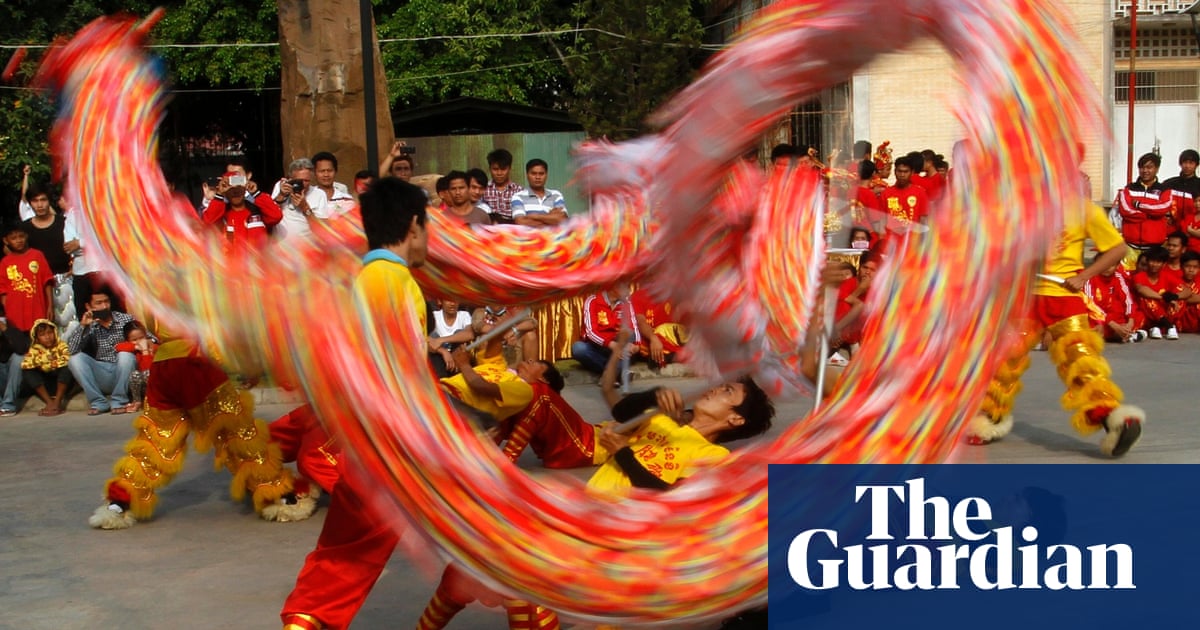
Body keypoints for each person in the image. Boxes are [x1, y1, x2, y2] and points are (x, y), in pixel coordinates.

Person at [281, 177, 430, 630]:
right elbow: (393, 371)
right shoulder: (389, 280)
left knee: (344, 552)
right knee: (350, 554)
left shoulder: (373, 277)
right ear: (414, 226)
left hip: (374, 441)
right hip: (388, 445)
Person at [966, 202, 1145, 457]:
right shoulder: (1021, 205)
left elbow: (1118, 248)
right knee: (1004, 360)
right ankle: (990, 416)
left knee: (1081, 363)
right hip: (1025, 298)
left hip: (1064, 299)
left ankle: (1113, 420)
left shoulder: (1085, 210)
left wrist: (1084, 276)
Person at [0, 222, 56, 417]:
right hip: (15, 319)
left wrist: (50, 306)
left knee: (39, 353)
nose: (18, 241)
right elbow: (3, 292)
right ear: (6, 241)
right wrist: (8, 315)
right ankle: (12, 398)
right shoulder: (5, 262)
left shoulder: (37, 256)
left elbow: (47, 282)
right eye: (13, 238)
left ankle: (46, 392)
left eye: (21, 236)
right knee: (19, 355)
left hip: (37, 313)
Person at [65, 289, 138, 414]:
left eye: (106, 301)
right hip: (102, 373)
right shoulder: (90, 325)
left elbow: (151, 339)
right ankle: (98, 402)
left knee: (125, 355)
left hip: (125, 373)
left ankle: (119, 401)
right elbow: (71, 350)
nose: (104, 306)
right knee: (74, 359)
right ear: (89, 306)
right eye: (99, 303)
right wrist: (83, 326)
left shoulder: (125, 319)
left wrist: (135, 344)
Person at [1114, 152, 1173, 263]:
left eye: (1149, 167)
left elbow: (1162, 209)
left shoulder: (1164, 190)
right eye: (1142, 167)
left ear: (1157, 169)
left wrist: (1138, 205)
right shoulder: (1129, 188)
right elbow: (1125, 210)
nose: (1145, 170)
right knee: (1129, 274)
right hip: (1130, 246)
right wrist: (1149, 215)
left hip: (1155, 248)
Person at [203, 170, 282, 251]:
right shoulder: (221, 214)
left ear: (245, 189)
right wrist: (219, 194)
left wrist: (256, 193)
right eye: (231, 190)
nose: (235, 193)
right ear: (225, 193)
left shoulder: (258, 211)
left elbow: (276, 216)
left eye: (239, 189)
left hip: (258, 258)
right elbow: (208, 223)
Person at [572, 285, 639, 374]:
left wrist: (636, 346)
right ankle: (616, 371)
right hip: (597, 346)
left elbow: (634, 327)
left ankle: (610, 372)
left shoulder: (627, 303)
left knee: (629, 336)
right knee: (578, 348)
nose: (629, 290)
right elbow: (590, 332)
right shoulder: (592, 301)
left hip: (619, 346)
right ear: (614, 287)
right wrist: (611, 344)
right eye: (625, 286)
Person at [19, 319, 73, 416]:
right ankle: (49, 402)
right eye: (42, 335)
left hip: (62, 384)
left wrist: (49, 364)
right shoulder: (34, 349)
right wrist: (45, 361)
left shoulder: (61, 345)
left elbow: (67, 358)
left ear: (55, 332)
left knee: (68, 367)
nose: (47, 337)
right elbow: (26, 364)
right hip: (44, 385)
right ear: (37, 338)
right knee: (28, 371)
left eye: (50, 333)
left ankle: (57, 402)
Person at [1131, 245, 1183, 340]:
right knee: (1147, 298)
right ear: (1147, 261)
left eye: (1158, 262)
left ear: (1164, 264)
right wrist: (1164, 298)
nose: (1154, 264)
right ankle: (1169, 326)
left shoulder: (1167, 275)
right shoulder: (1140, 276)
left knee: (1180, 300)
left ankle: (1158, 326)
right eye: (1152, 261)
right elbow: (1141, 289)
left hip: (1165, 311)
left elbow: (1187, 291)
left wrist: (1174, 297)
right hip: (1148, 314)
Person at [1085, 263, 1145, 343]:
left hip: (1116, 317)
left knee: (1139, 315)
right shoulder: (1090, 278)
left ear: (1117, 266)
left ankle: (1124, 333)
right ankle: (1126, 335)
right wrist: (1113, 324)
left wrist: (1130, 321)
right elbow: (1091, 305)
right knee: (1097, 328)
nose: (1107, 268)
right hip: (1098, 318)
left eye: (1111, 265)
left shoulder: (1118, 277)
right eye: (1104, 264)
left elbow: (1127, 300)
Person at [114, 320, 157, 412]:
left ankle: (153, 401)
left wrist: (145, 351)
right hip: (141, 386)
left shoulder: (153, 347)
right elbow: (118, 347)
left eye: (141, 338)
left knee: (147, 373)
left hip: (155, 383)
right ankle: (137, 401)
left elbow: (147, 369)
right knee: (135, 374)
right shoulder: (133, 348)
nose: (139, 341)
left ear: (146, 336)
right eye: (134, 340)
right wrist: (136, 347)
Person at [511, 159, 567, 227]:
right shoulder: (518, 197)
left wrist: (535, 216)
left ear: (546, 175)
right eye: (533, 173)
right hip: (530, 234)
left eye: (541, 174)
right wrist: (550, 217)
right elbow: (520, 222)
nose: (538, 177)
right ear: (527, 175)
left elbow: (563, 220)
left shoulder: (556, 195)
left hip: (553, 234)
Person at [427, 300, 474, 378]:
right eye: (448, 300)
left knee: (459, 332)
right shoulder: (434, 316)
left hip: (458, 357)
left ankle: (457, 374)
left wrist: (441, 340)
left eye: (455, 300)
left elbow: (470, 334)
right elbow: (424, 339)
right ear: (440, 302)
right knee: (433, 336)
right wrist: (443, 351)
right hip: (439, 358)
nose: (452, 304)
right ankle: (441, 378)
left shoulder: (464, 315)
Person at [483, 148, 523, 224]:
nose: (499, 173)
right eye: (495, 169)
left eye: (503, 169)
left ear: (510, 168)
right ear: (489, 169)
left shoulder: (518, 190)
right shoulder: (483, 189)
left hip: (512, 227)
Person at [1170, 251, 1200, 333]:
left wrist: (1184, 297)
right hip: (1179, 320)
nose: (1191, 270)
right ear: (1181, 267)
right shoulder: (1174, 281)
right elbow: (1188, 299)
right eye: (1187, 266)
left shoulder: (1199, 282)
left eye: (1195, 267)